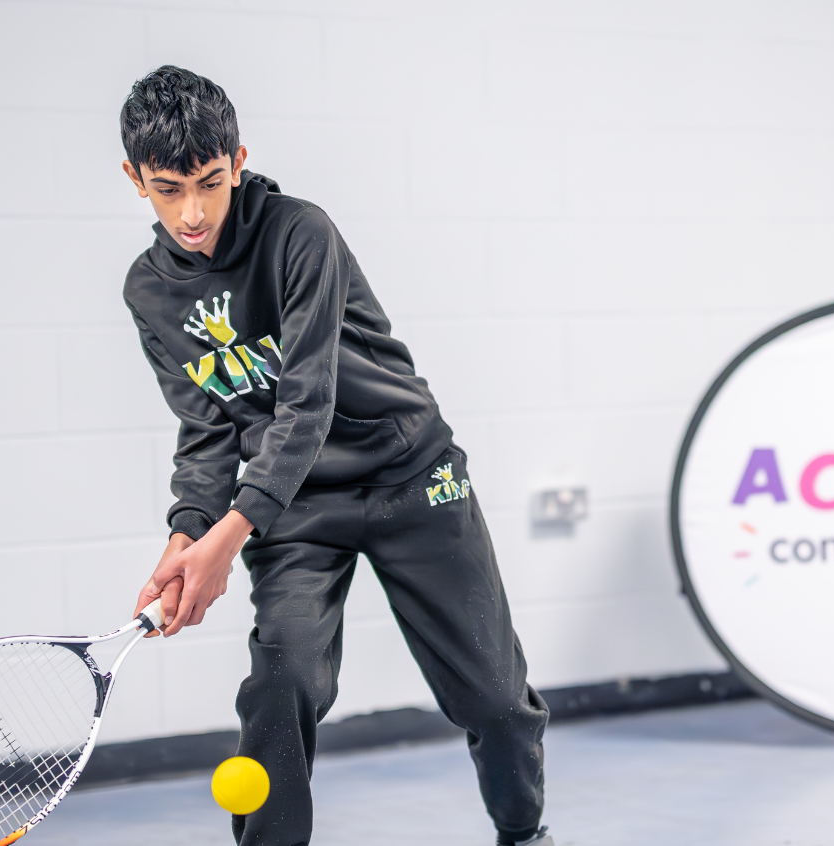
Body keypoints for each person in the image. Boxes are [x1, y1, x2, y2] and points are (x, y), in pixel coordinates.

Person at [117, 65, 553, 846]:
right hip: (297, 509)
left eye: (211, 183)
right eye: (169, 187)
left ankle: (525, 835)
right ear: (135, 180)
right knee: (280, 686)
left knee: (494, 699)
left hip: (412, 476)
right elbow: (209, 429)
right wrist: (188, 532)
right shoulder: (149, 292)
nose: (193, 211)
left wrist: (228, 537)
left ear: (239, 160)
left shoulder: (299, 232)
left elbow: (306, 402)